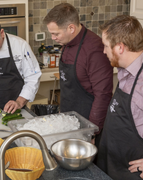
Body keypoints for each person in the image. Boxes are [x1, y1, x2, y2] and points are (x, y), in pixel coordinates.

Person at [97, 15, 143, 180]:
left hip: (134, 174)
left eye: (105, 46)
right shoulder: (126, 69)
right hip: (112, 166)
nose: (103, 51)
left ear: (120, 47)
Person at [43, 3, 113, 140]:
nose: (53, 38)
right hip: (68, 122)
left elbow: (103, 94)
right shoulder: (67, 43)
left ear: (71, 28)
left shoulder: (95, 50)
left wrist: (91, 131)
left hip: (87, 125)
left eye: (55, 33)